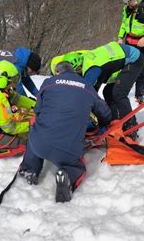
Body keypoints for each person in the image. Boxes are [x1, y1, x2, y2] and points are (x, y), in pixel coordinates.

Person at [18, 61, 111, 202]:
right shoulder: (86, 85)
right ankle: (68, 174)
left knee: (35, 130)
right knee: (76, 166)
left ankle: (29, 169)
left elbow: (37, 110)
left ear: (57, 72)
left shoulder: (48, 82)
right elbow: (104, 112)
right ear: (73, 71)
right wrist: (105, 123)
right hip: (68, 148)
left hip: (39, 145)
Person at [64, 41, 144, 140]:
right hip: (120, 58)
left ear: (78, 68)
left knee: (118, 93)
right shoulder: (83, 58)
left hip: (134, 60)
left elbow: (88, 95)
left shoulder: (92, 70)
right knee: (108, 91)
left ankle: (131, 128)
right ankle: (115, 121)